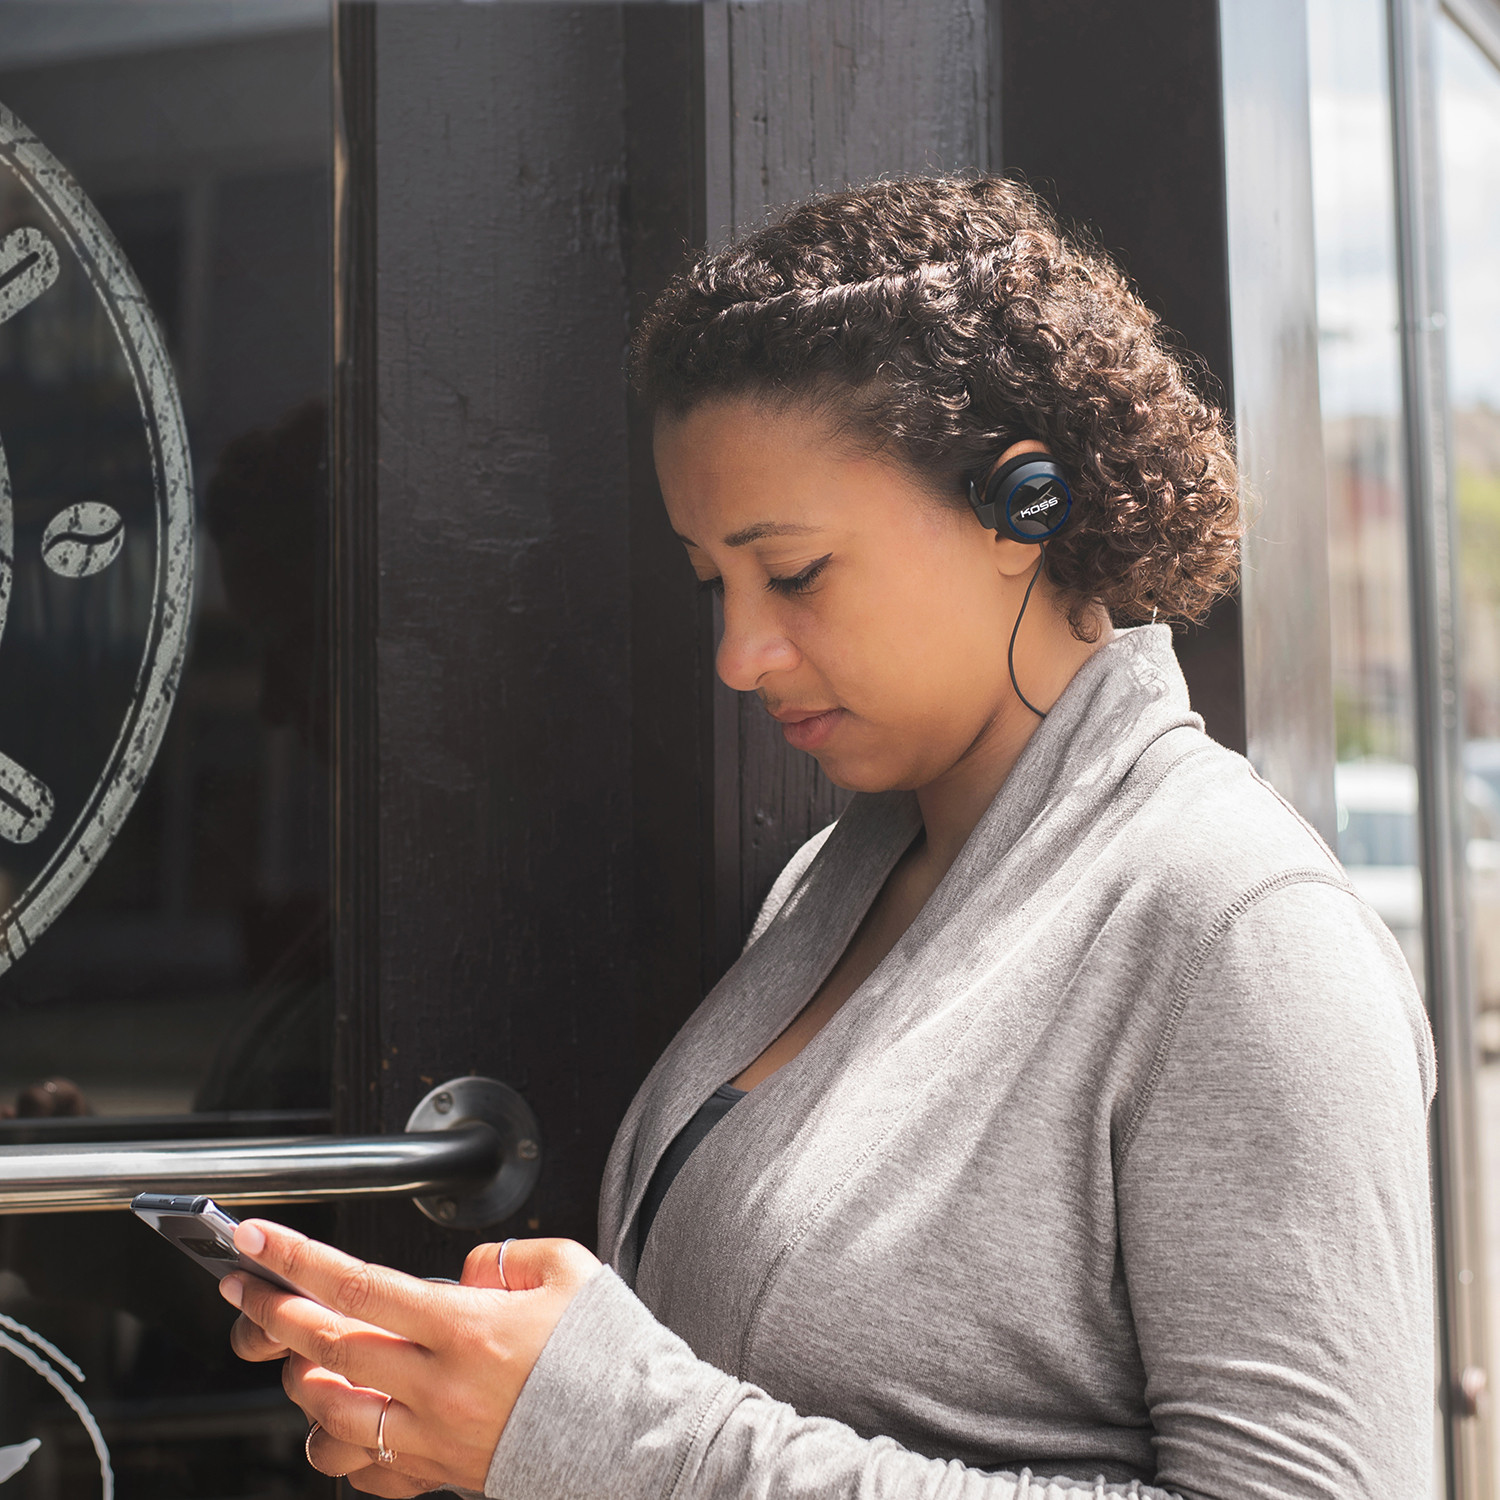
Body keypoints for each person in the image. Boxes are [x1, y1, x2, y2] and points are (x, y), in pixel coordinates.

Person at [220, 176, 1436, 1500]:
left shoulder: (1241, 935)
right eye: (714, 586)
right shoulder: (836, 884)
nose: (740, 656)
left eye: (794, 573)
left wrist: (619, 1443)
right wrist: (481, 1415)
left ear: (1021, 510)